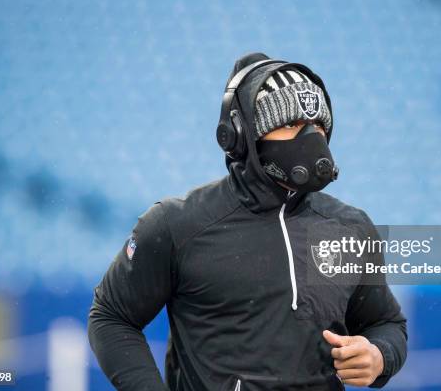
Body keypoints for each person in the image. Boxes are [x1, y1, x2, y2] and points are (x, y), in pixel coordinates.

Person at [88, 52, 407, 391]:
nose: (311, 139)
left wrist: (378, 355)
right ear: (241, 134)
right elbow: (111, 318)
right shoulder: (176, 224)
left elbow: (385, 323)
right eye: (292, 125)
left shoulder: (350, 227)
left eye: (318, 126)